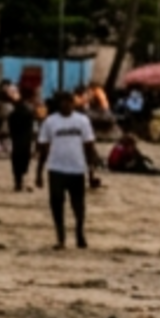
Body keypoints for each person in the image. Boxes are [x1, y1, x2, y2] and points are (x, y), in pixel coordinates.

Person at [38, 92, 97, 250]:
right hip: (56, 168)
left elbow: (89, 146)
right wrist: (39, 173)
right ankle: (60, 237)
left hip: (77, 168)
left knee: (78, 205)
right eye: (62, 102)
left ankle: (79, 232)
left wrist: (92, 171)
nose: (65, 105)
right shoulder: (50, 122)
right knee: (56, 203)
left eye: (68, 102)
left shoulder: (82, 121)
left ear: (73, 103)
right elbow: (43, 148)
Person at [6, 91, 35, 193]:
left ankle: (18, 183)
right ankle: (27, 182)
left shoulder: (12, 115)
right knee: (26, 162)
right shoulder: (29, 113)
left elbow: (10, 128)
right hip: (26, 141)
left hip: (16, 141)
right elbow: (31, 128)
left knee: (16, 163)